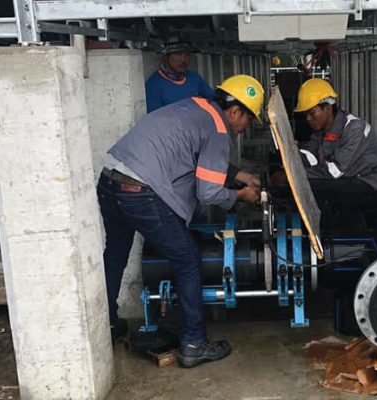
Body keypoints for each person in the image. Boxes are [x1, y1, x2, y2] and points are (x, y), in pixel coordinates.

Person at [97, 74, 264, 368]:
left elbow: (201, 159)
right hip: (141, 192)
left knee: (115, 255)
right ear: (236, 111)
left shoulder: (195, 107)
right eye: (248, 119)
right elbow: (209, 191)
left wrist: (239, 175)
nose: (245, 128)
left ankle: (107, 325)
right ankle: (193, 344)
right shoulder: (219, 129)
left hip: (111, 180)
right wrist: (241, 196)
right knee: (187, 260)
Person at [292, 78, 377, 199]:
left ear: (328, 108)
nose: (308, 119)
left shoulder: (353, 128)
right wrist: (292, 160)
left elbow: (335, 170)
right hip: (352, 177)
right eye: (305, 115)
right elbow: (311, 154)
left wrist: (296, 176)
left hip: (373, 183)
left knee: (313, 186)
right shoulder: (320, 129)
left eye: (312, 113)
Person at [145, 41, 215, 113]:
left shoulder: (194, 78)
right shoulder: (154, 84)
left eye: (187, 55)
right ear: (167, 56)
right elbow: (154, 116)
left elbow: (213, 99)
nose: (183, 60)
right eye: (179, 54)